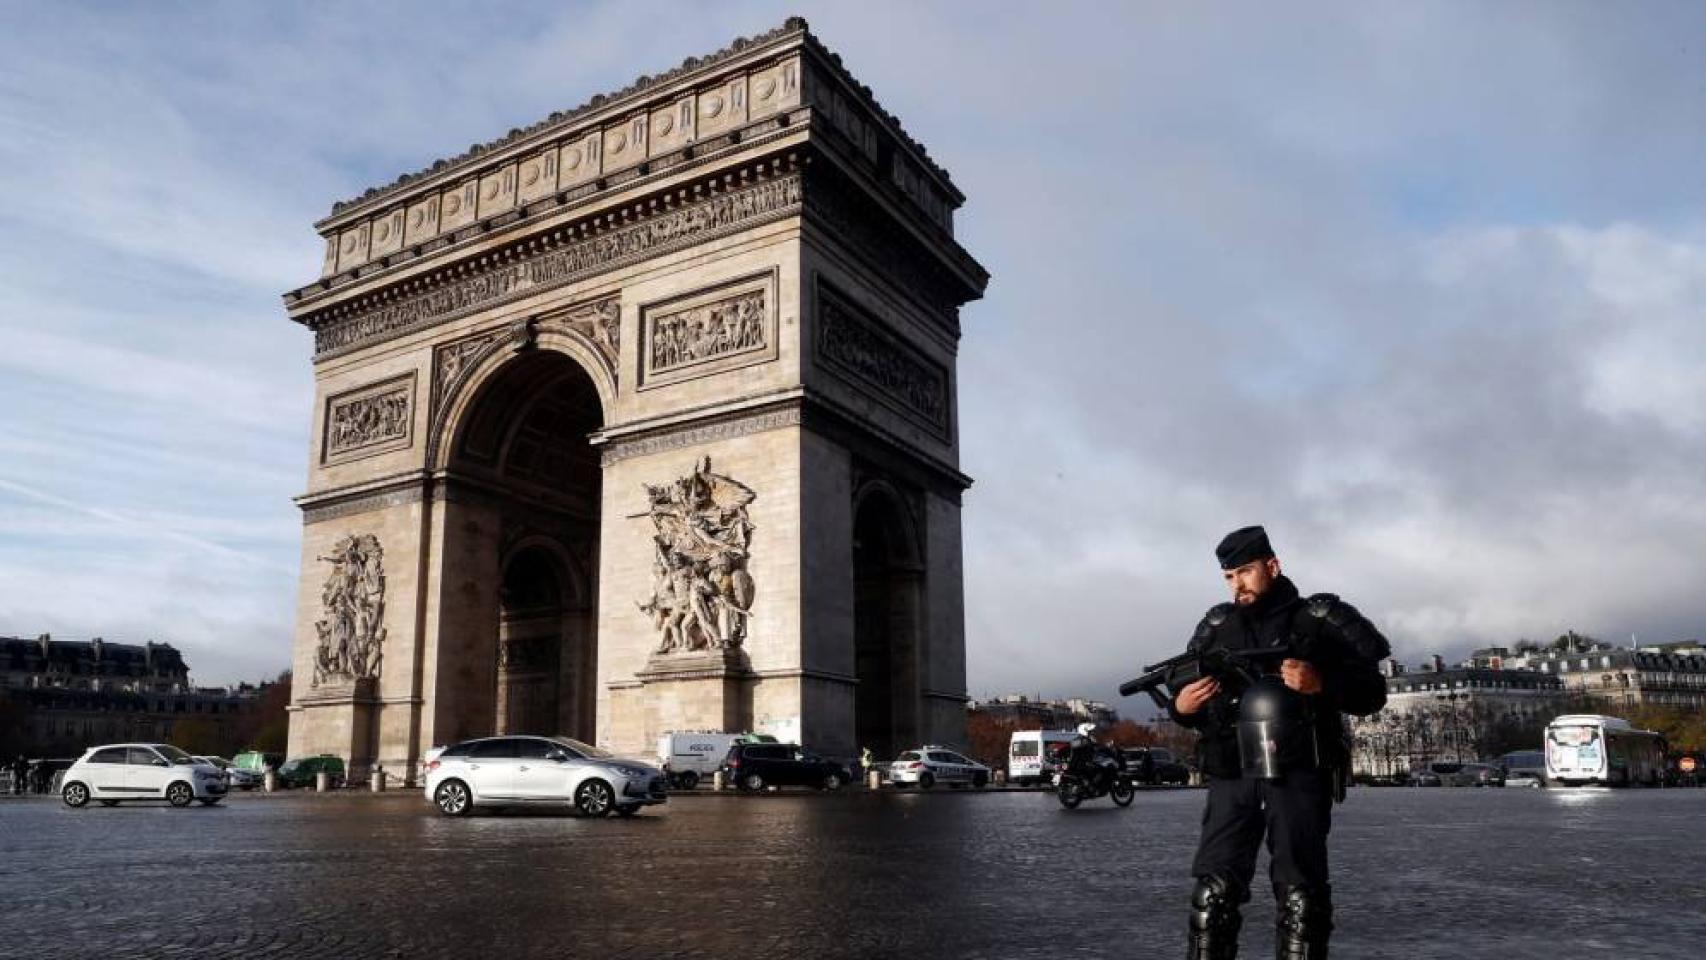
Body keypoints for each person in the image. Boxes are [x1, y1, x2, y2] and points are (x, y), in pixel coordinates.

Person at [1168, 526, 1389, 960]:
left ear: (1272, 565)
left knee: (1299, 896)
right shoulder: (1217, 626)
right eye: (1229, 577)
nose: (1238, 585)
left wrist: (1321, 682)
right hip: (1232, 771)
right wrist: (1183, 706)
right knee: (1212, 895)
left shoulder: (1318, 618)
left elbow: (1372, 693)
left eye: (1245, 572)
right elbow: (1190, 701)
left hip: (1299, 768)